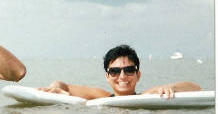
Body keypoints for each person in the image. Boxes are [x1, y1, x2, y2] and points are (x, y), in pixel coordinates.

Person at [38, 45, 200, 99]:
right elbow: (62, 85)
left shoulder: (147, 96)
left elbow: (195, 87)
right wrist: (54, 87)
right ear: (107, 76)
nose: (122, 77)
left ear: (138, 75)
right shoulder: (101, 96)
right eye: (115, 71)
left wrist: (170, 87)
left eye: (129, 70)